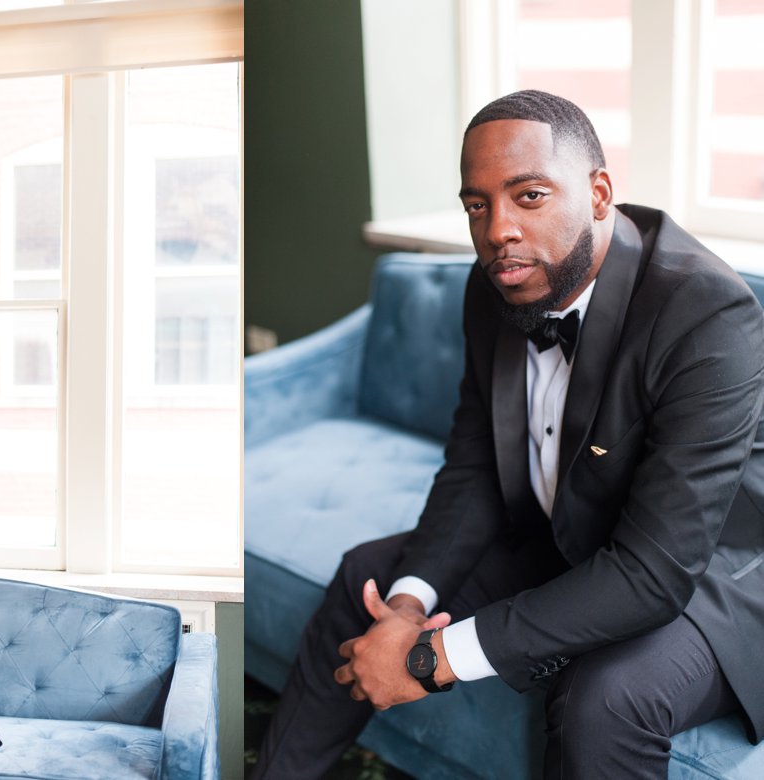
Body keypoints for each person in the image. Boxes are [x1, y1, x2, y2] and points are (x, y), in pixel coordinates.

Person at [251, 90, 764, 779]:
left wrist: (431, 659)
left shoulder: (706, 314)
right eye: (476, 205)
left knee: (602, 701)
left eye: (528, 196)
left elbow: (652, 574)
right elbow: (472, 467)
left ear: (599, 192)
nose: (497, 231)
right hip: (568, 531)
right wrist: (407, 608)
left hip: (709, 576)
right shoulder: (494, 286)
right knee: (366, 583)